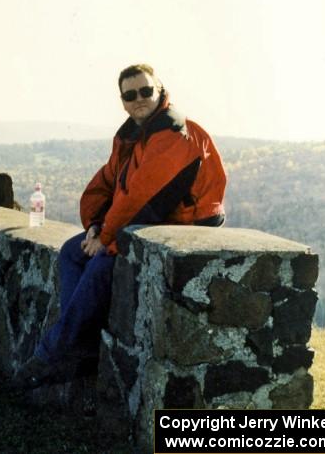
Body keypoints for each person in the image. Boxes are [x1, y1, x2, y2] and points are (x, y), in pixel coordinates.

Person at [15, 63, 226, 390]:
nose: (139, 99)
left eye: (145, 91)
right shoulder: (133, 136)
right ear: (123, 101)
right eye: (131, 94)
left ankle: (53, 353)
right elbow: (103, 185)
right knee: (73, 251)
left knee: (102, 263)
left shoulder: (172, 133)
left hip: (181, 224)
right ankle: (82, 345)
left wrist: (107, 240)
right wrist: (95, 227)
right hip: (148, 220)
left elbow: (140, 200)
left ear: (159, 90)